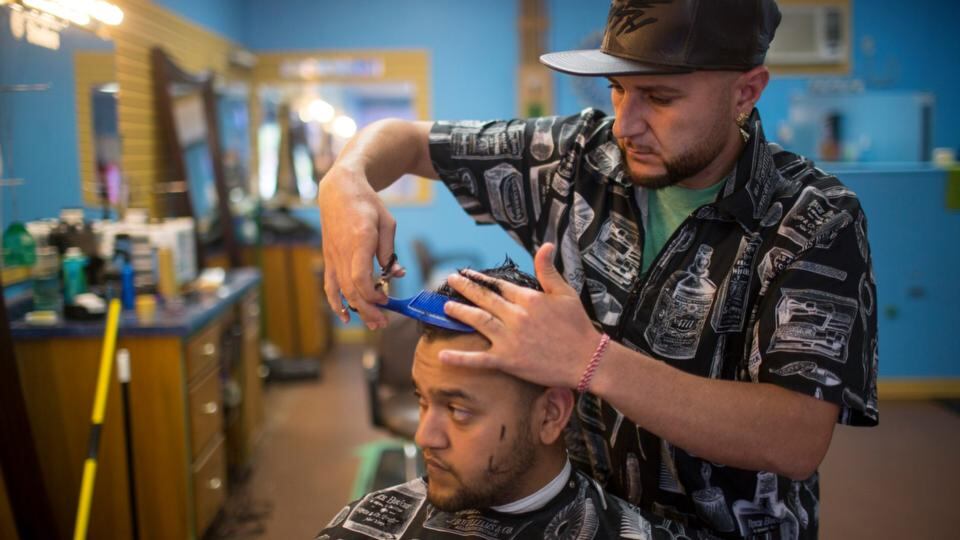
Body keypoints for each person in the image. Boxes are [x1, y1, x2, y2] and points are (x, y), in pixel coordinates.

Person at [318, 1, 879, 538]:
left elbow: (795, 437)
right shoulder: (576, 158)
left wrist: (591, 361)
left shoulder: (814, 219)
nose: (625, 124)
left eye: (659, 97)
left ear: (745, 92)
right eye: (618, 90)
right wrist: (344, 182)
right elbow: (407, 139)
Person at [317, 262, 713, 540]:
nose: (425, 436)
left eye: (458, 410)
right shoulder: (364, 524)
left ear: (551, 414)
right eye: (422, 400)